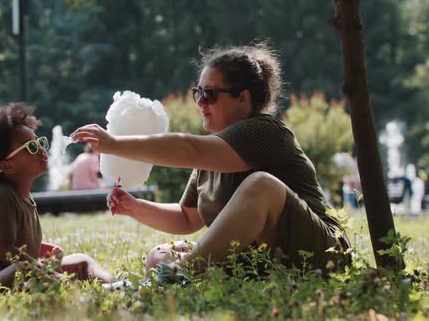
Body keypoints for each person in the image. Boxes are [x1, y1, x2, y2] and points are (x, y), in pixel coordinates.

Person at [71, 43, 351, 273]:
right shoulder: (212, 159)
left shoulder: (266, 130)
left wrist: (115, 144)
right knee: (159, 256)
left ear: (243, 98)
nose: (200, 103)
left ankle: (183, 275)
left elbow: (189, 149)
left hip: (322, 254)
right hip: (267, 265)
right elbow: (186, 218)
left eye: (210, 94)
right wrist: (134, 207)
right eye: (198, 93)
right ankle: (182, 271)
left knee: (261, 186)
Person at [0, 103, 116, 289]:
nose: (42, 149)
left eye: (40, 142)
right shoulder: (3, 196)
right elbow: (4, 250)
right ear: (7, 166)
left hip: (17, 273)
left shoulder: (23, 196)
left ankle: (117, 285)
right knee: (25, 268)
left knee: (81, 260)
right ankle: (70, 289)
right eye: (32, 147)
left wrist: (42, 248)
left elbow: (19, 241)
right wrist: (38, 266)